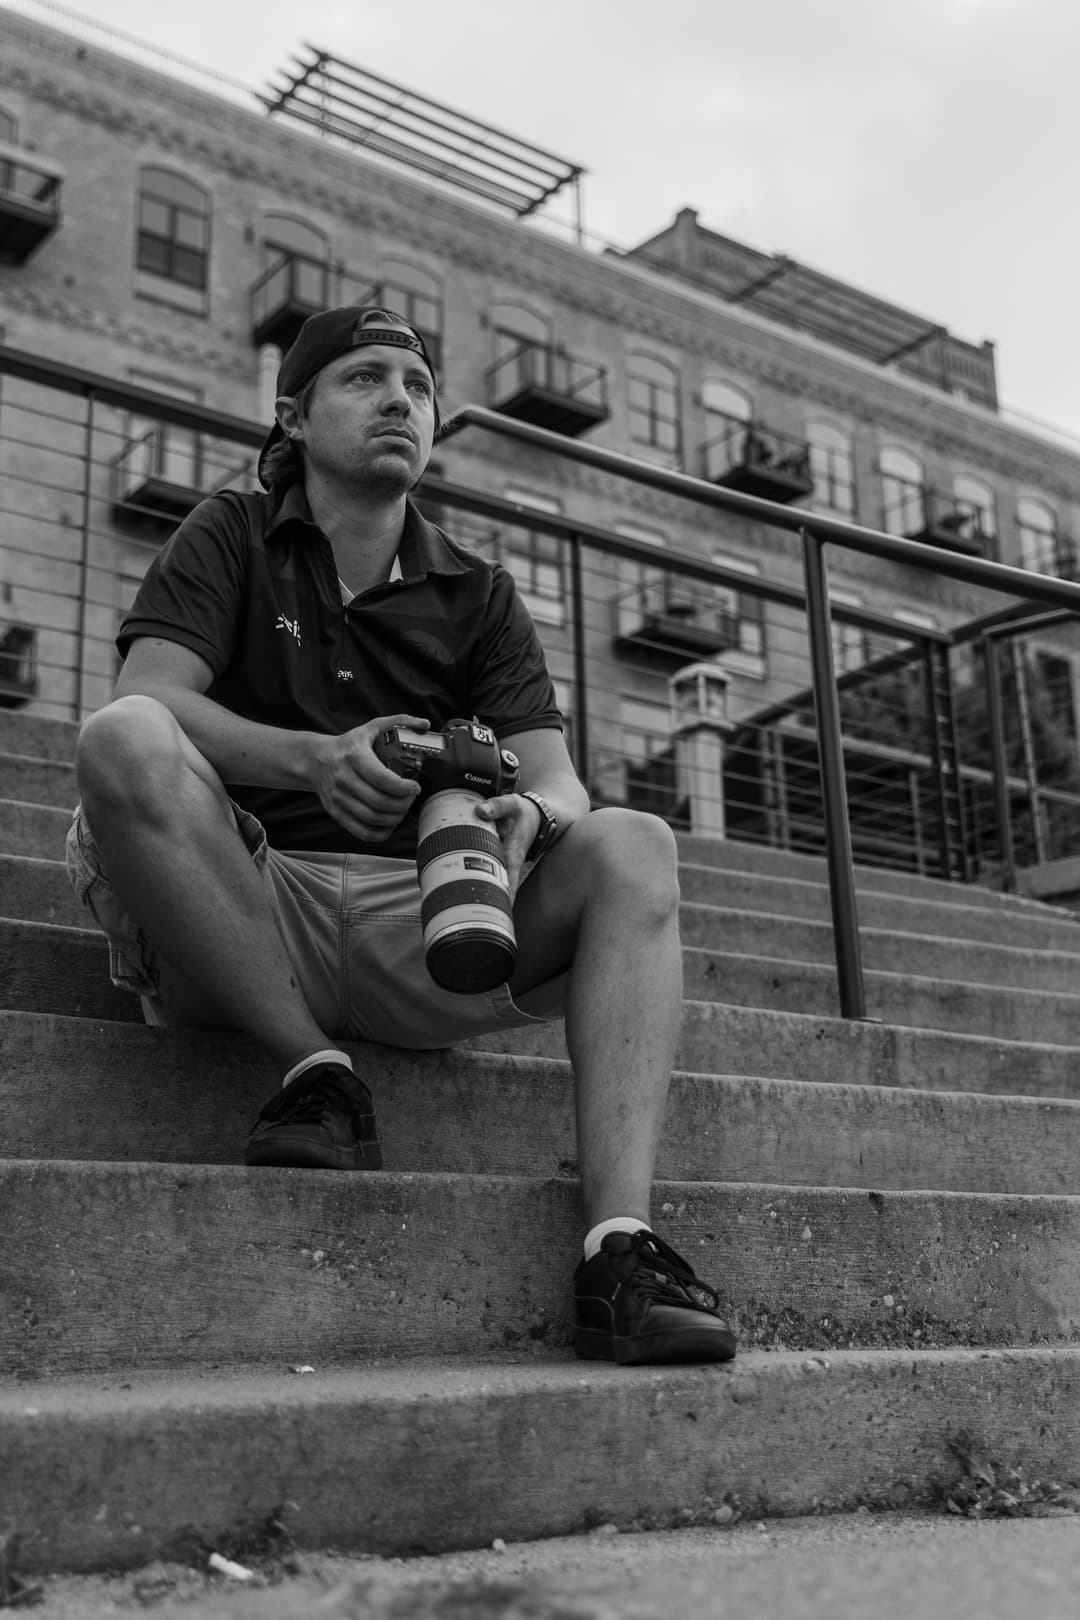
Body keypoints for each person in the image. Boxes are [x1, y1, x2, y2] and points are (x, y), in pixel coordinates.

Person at [66, 305, 736, 1368]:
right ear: (293, 413)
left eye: (417, 387)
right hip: (244, 910)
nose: (400, 401)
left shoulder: (478, 592)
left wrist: (532, 815)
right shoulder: (231, 530)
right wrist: (316, 761)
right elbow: (152, 697)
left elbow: (562, 778)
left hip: (426, 926)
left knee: (634, 841)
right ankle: (314, 1072)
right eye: (364, 378)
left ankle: (621, 1248)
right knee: (124, 737)